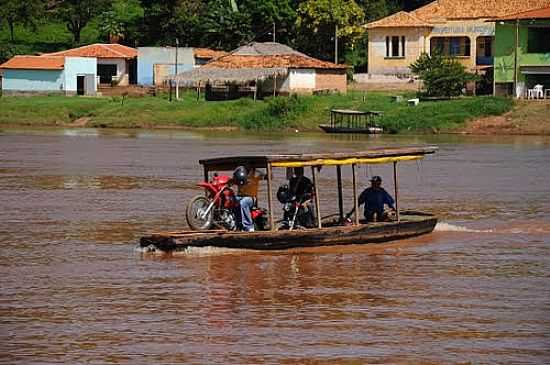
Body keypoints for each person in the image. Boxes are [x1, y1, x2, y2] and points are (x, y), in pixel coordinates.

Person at [233, 166, 264, 232]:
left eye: (250, 171)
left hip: (251, 197)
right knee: (231, 200)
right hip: (240, 196)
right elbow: (231, 181)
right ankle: (236, 223)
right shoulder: (241, 177)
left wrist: (257, 170)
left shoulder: (255, 178)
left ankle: (249, 226)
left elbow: (269, 176)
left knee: (243, 202)